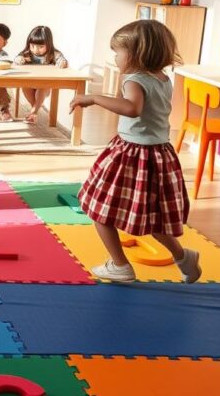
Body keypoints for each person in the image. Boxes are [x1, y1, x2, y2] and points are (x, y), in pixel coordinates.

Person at [70, 20, 201, 283]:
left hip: (132, 155)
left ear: (136, 53)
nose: (115, 57)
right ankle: (183, 257)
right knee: (153, 219)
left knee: (98, 209)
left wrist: (93, 98)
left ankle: (120, 265)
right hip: (159, 154)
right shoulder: (162, 78)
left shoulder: (134, 79)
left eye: (118, 52)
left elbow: (132, 108)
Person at [14, 25, 69, 124]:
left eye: (40, 47)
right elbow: (16, 60)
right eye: (33, 46)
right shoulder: (26, 54)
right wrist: (19, 60)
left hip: (45, 85)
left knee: (42, 86)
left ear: (49, 44)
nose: (36, 49)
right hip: (30, 84)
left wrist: (63, 63)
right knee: (24, 85)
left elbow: (62, 61)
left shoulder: (54, 54)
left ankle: (34, 111)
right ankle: (34, 110)